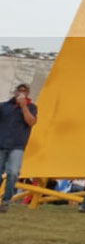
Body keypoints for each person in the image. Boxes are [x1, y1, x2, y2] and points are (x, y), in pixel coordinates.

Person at [0, 83, 38, 213]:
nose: (21, 93)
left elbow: (31, 122)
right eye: (19, 90)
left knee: (13, 173)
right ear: (15, 92)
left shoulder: (32, 107)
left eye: (24, 91)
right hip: (1, 144)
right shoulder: (4, 106)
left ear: (27, 94)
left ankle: (6, 201)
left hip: (17, 146)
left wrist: (23, 106)